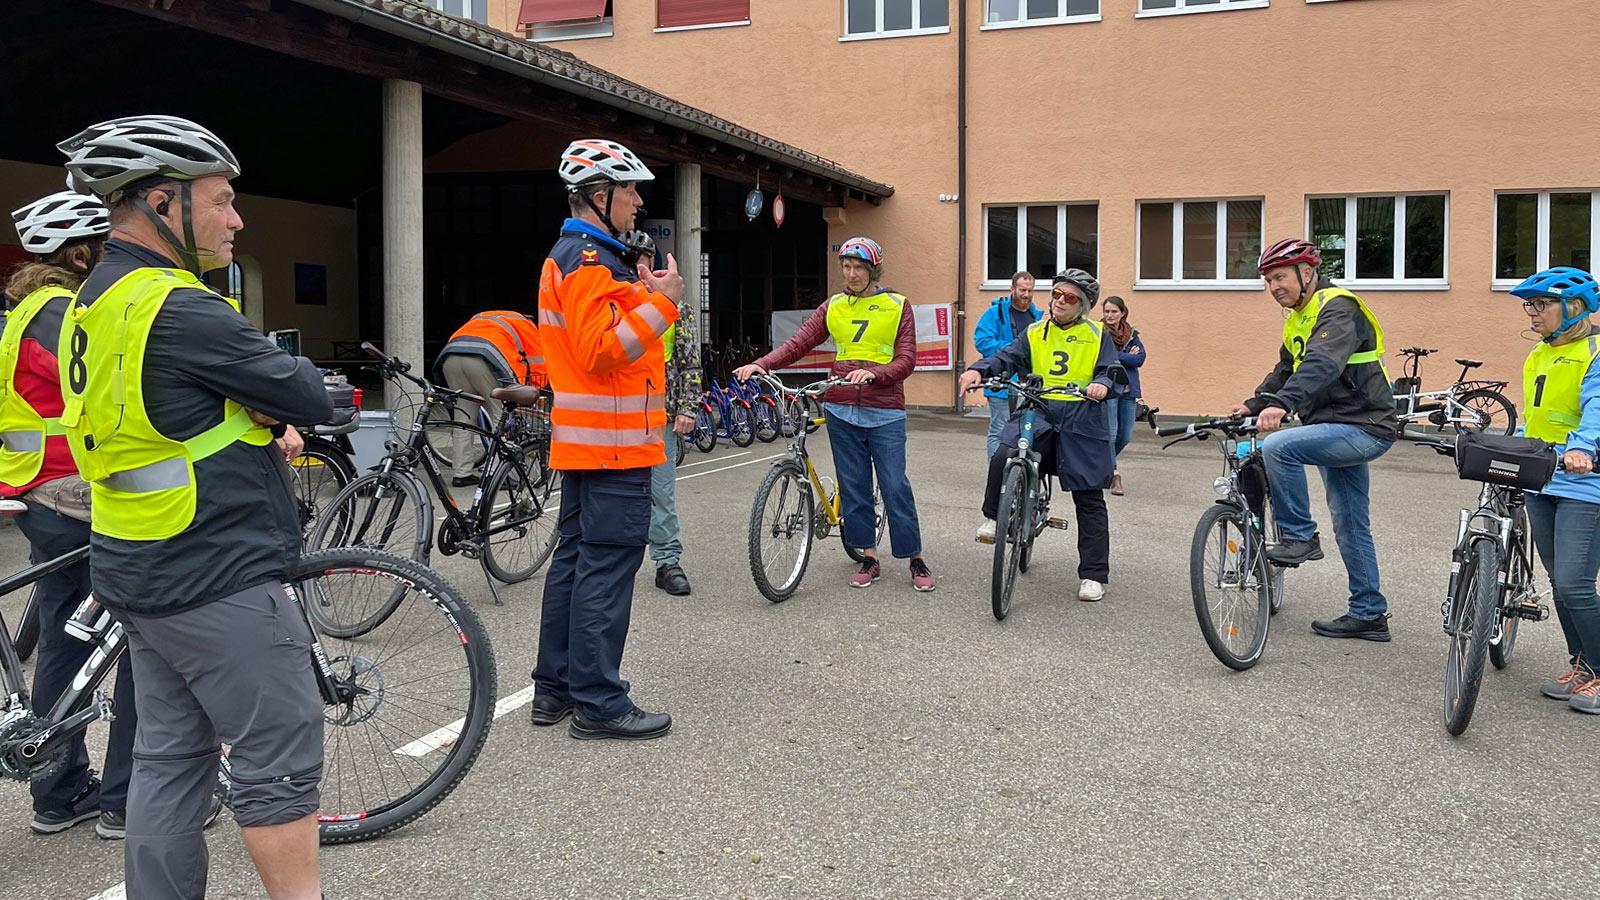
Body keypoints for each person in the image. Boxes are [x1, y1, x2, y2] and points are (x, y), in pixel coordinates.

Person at [58, 114, 333, 898]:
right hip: (216, 568)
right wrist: (270, 401)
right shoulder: (179, 306)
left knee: (169, 761)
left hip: (138, 566)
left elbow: (164, 413)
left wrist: (245, 407)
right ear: (160, 203)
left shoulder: (91, 300)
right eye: (221, 201)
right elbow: (308, 394)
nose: (236, 219)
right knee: (279, 750)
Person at [2, 190, 146, 840]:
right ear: (81, 254)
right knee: (145, 632)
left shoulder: (25, 309)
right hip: (76, 491)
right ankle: (129, 798)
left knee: (66, 637)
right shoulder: (65, 313)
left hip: (40, 493)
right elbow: (119, 388)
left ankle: (58, 792)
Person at [530, 139, 682, 741]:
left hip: (587, 441)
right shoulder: (591, 259)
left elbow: (599, 335)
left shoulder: (576, 256)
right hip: (614, 442)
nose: (638, 201)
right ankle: (599, 702)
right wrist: (664, 304)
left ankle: (555, 688)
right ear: (600, 196)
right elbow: (602, 350)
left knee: (574, 560)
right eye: (630, 190)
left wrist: (643, 292)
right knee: (607, 566)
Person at [734, 237, 936, 592]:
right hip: (841, 407)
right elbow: (798, 343)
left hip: (885, 410)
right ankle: (868, 557)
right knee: (854, 487)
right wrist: (761, 363)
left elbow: (906, 360)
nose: (851, 273)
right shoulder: (834, 306)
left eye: (858, 267)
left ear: (873, 270)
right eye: (846, 266)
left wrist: (875, 373)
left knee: (894, 486)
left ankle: (914, 558)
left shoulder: (897, 305)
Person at [1230, 238, 1398, 642]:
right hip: (1335, 426)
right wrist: (1254, 404)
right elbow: (1286, 370)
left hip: (1364, 425)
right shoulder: (1298, 317)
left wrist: (1282, 405)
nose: (1274, 287)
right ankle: (1369, 613)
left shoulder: (1338, 308)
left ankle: (1300, 535)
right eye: (1268, 281)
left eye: (1280, 277)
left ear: (1307, 273)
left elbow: (1322, 363)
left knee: (1278, 446)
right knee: (1351, 522)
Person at [960, 269, 1117, 602]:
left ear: (1083, 305)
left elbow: (1110, 370)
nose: (1059, 301)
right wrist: (978, 369)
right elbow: (1007, 357)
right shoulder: (1034, 331)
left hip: (1081, 415)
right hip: (1040, 409)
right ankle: (995, 516)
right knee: (1005, 452)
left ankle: (1093, 575)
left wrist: (1102, 384)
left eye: (1069, 297)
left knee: (1089, 496)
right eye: (1057, 293)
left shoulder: (1097, 333)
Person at [1510, 267, 1600, 715]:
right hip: (1542, 476)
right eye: (1531, 304)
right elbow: (1539, 414)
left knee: (1574, 583)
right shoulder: (1539, 354)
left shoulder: (1595, 350)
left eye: (1542, 303)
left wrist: (1583, 448)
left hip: (1586, 481)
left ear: (1575, 308)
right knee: (1560, 585)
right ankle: (1582, 665)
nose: (1533, 312)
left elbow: (1597, 406)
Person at [618, 230, 701, 597]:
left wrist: (688, 407)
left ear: (652, 262)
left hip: (658, 416)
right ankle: (614, 560)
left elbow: (689, 361)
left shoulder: (675, 305)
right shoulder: (613, 302)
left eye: (642, 260)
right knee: (615, 494)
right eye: (629, 260)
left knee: (661, 493)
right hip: (617, 414)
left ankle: (667, 561)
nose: (637, 268)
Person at [435, 309, 545, 486]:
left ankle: (461, 474)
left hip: (451, 357)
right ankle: (499, 476)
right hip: (485, 359)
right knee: (501, 416)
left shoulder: (484, 317)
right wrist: (533, 390)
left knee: (463, 418)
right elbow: (539, 361)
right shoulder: (527, 326)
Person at [972, 271, 1040, 459]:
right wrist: (1013, 349)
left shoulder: (1036, 317)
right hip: (1001, 383)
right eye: (1022, 290)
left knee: (1026, 431)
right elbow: (982, 341)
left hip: (1028, 385)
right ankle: (997, 471)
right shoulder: (995, 313)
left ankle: (1018, 471)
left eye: (1030, 290)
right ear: (1013, 289)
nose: (1026, 294)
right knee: (999, 430)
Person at [1099, 295, 1145, 496]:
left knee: (1124, 436)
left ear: (1122, 313)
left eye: (1114, 311)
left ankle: (1102, 463)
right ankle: (1114, 474)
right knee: (1110, 433)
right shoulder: (1099, 332)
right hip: (1109, 389)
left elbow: (1140, 359)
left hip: (1128, 391)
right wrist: (1126, 356)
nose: (1110, 315)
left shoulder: (1131, 333)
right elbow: (1102, 357)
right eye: (1107, 311)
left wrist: (1117, 357)